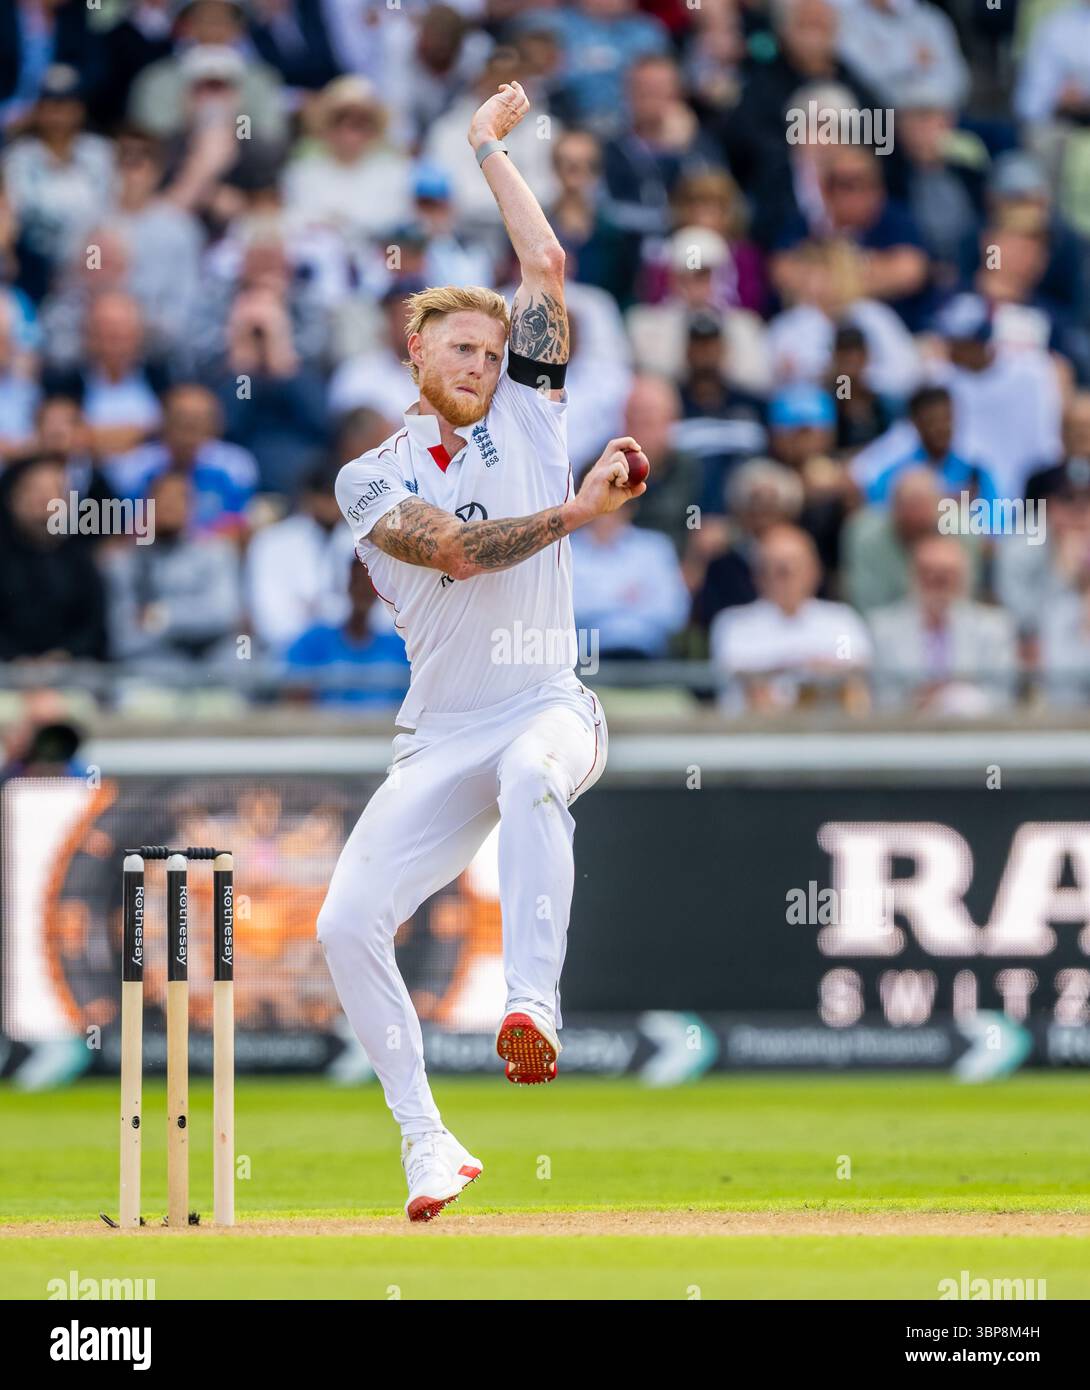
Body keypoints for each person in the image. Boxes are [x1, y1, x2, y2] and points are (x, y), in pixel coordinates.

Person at [318, 80, 648, 1224]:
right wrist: (580, 515)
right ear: (414, 350)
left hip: (551, 704)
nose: (480, 362)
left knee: (529, 776)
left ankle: (532, 1008)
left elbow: (546, 263)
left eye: (492, 349)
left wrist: (484, 150)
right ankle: (426, 1143)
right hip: (441, 730)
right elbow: (458, 555)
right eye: (459, 345)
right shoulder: (372, 476)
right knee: (340, 923)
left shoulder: (531, 412)